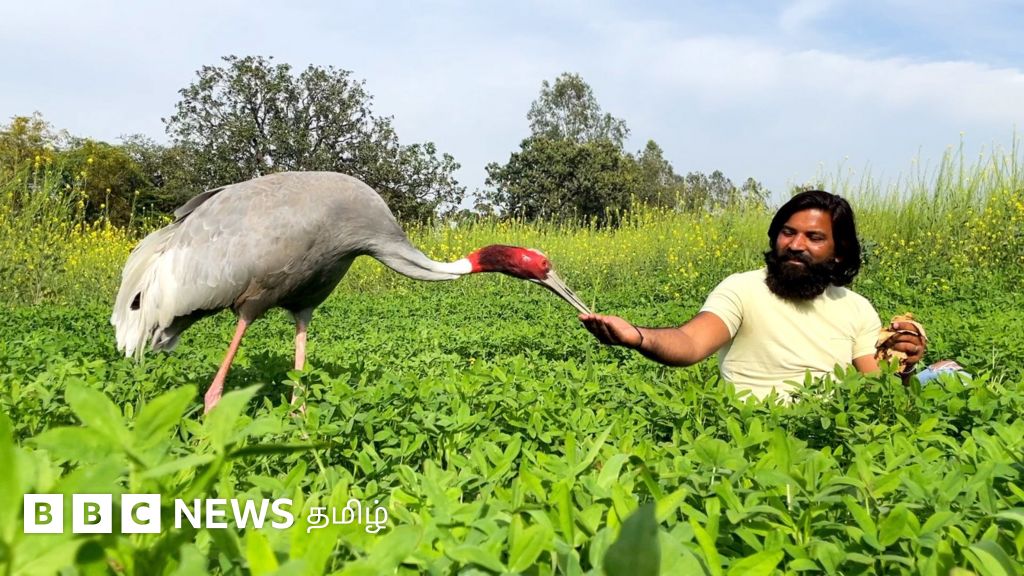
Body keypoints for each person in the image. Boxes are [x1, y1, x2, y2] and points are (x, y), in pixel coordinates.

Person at [579, 190, 928, 401]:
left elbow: (876, 386)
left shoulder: (856, 309)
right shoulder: (743, 288)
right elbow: (690, 342)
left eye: (813, 237)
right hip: (751, 429)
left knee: (951, 377)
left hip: (827, 435)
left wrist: (905, 366)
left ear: (838, 252)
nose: (795, 245)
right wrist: (638, 336)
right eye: (787, 233)